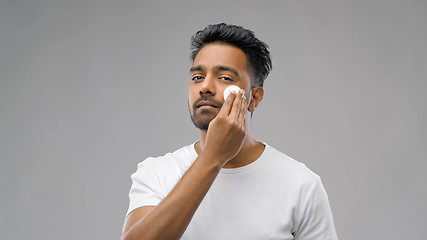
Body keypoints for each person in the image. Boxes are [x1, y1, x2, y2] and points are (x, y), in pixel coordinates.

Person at [121, 23, 338, 240]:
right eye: (197, 77)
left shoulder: (301, 185)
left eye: (224, 77)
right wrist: (212, 158)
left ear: (254, 97)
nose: (205, 86)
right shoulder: (156, 173)